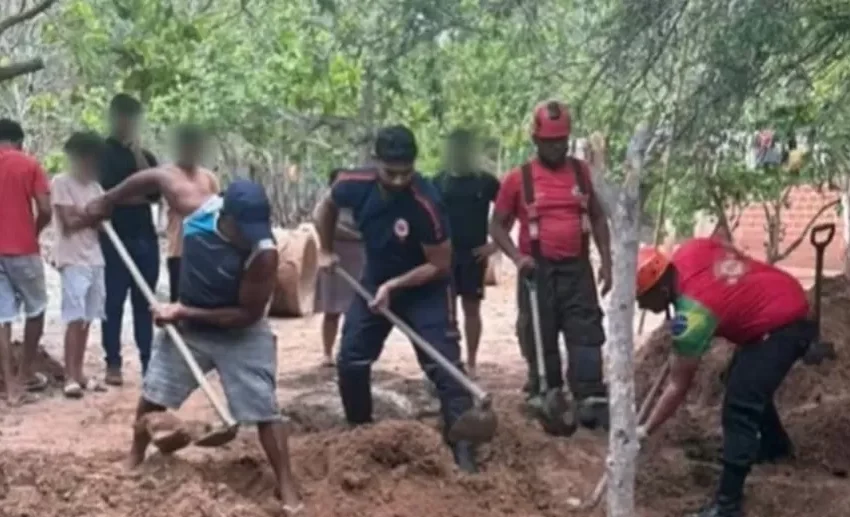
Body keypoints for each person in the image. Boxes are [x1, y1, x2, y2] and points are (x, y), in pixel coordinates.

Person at [85, 178, 302, 515]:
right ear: (225, 216)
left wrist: (182, 311)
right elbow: (157, 176)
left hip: (241, 332)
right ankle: (135, 456)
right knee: (153, 394)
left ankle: (286, 486)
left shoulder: (264, 253)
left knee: (265, 408)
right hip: (189, 329)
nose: (251, 236)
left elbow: (246, 314)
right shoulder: (197, 209)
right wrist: (109, 199)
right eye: (243, 229)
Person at [314, 125, 478, 472]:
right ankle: (359, 432)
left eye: (407, 172)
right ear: (376, 162)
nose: (400, 180)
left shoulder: (427, 202)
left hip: (427, 288)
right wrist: (325, 248)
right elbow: (326, 207)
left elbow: (440, 263)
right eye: (391, 173)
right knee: (352, 359)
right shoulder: (352, 183)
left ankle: (464, 449)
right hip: (375, 280)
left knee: (445, 365)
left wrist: (394, 286)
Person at [634, 238, 813, 517]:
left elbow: (678, 386)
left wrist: (645, 430)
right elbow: (723, 243)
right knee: (743, 380)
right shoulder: (689, 250)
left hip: (783, 324)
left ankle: (727, 506)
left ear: (662, 288)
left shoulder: (693, 316)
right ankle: (775, 445)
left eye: (643, 298)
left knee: (739, 406)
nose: (642, 306)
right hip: (782, 293)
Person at [489, 100, 613, 432]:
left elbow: (598, 218)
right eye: (549, 141)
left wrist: (607, 261)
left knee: (586, 332)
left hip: (578, 270)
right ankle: (546, 391)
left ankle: (589, 395)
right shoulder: (518, 179)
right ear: (535, 140)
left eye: (561, 141)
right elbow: (496, 226)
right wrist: (517, 258)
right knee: (538, 332)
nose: (556, 147)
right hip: (536, 272)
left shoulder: (583, 174)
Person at [98, 93, 160, 385]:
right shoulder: (101, 155)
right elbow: (106, 196)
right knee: (113, 302)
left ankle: (149, 363)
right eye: (124, 117)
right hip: (114, 239)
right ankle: (113, 363)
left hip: (145, 238)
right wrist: (134, 195)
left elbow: (156, 192)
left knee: (145, 303)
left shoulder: (146, 156)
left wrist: (137, 155)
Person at [432, 129, 500, 378]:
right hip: (445, 257)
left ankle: (471, 362)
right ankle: (448, 361)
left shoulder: (486, 182)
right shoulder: (438, 182)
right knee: (444, 312)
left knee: (472, 309)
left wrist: (496, 244)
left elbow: (509, 209)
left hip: (474, 255)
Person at [52, 132, 111, 398]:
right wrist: (90, 214)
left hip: (95, 258)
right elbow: (69, 222)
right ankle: (69, 376)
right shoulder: (61, 182)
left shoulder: (96, 187)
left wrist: (86, 214)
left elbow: (104, 221)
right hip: (72, 258)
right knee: (74, 317)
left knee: (88, 317)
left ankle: (79, 372)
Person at [0, 118, 51, 405]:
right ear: (19, 141)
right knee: (37, 308)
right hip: (22, 248)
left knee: (2, 317)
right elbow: (45, 208)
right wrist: (35, 230)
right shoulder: (29, 164)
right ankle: (24, 376)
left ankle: (10, 387)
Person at [160, 125, 220, 302]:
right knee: (178, 303)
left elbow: (216, 211)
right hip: (179, 251)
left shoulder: (209, 178)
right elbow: (180, 203)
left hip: (206, 251)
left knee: (203, 302)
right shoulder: (167, 175)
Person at [312, 169, 365, 367]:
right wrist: (327, 249)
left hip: (359, 256)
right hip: (333, 257)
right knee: (332, 310)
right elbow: (319, 221)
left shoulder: (359, 202)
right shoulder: (325, 206)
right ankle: (327, 353)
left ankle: (350, 352)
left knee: (357, 311)